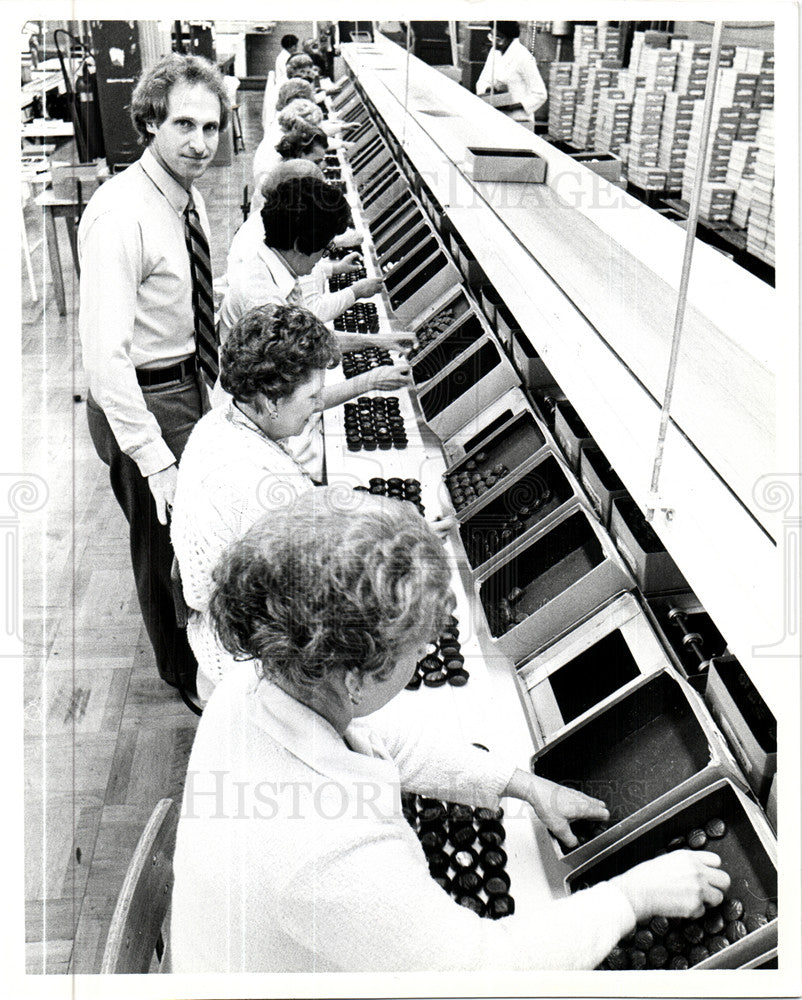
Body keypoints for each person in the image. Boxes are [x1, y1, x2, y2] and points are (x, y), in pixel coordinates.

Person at [169, 488, 732, 972]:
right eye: (416, 650)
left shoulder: (258, 685)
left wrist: (518, 782)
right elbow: (485, 971)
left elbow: (384, 739)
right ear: (354, 678)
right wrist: (630, 897)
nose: (423, 659)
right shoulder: (326, 850)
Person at [78, 53, 228, 693]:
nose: (200, 143)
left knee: (189, 539)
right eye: (184, 126)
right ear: (150, 124)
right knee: (161, 542)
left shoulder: (185, 197)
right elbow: (104, 357)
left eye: (212, 128)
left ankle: (200, 650)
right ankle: (181, 673)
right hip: (143, 401)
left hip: (185, 385)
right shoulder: (121, 214)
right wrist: (154, 458)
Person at [171, 304, 409, 702]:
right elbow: (313, 591)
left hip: (223, 623)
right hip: (248, 668)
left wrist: (376, 519)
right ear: (272, 399)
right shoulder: (255, 478)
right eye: (312, 396)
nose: (318, 405)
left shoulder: (218, 421)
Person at [475, 20, 547, 126]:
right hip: (495, 115)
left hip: (518, 120)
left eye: (498, 39)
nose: (494, 43)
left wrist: (513, 105)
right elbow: (483, 80)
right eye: (492, 37)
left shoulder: (523, 57)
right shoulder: (494, 52)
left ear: (509, 38)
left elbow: (540, 94)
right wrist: (490, 89)